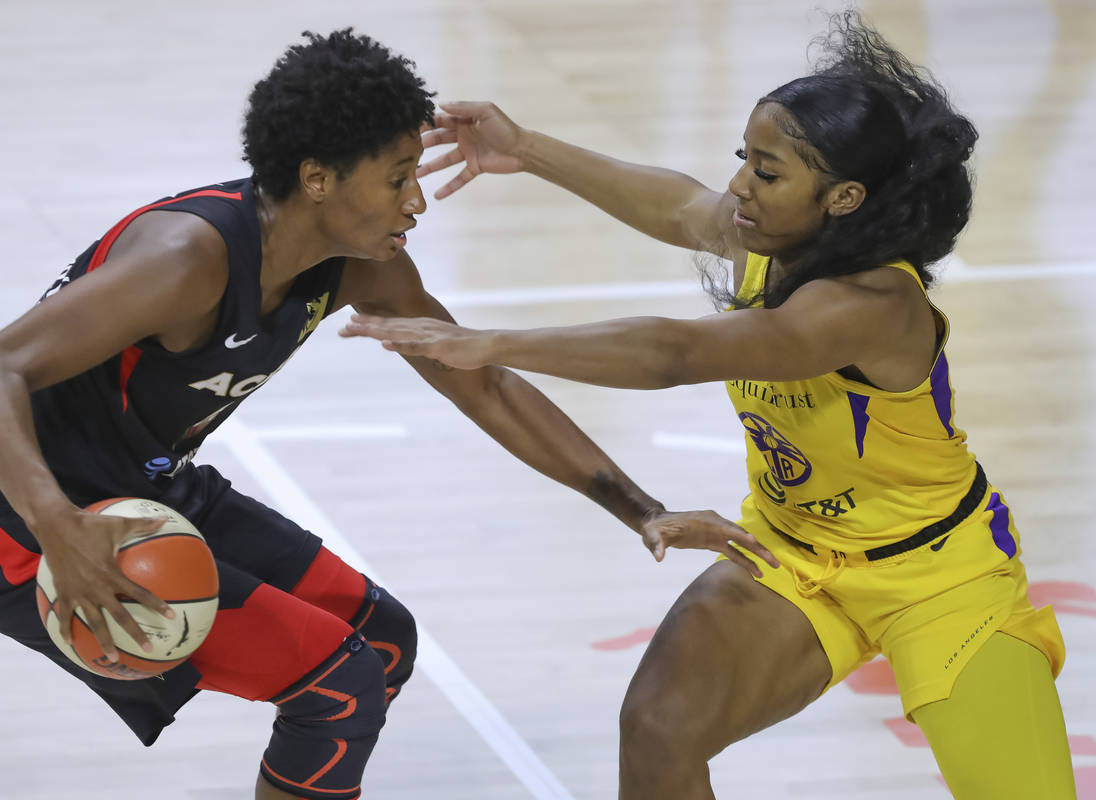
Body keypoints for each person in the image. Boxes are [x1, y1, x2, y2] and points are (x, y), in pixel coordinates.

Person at [0, 29, 776, 800]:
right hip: (15, 519)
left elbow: (485, 385)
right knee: (339, 685)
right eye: (398, 177)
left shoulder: (360, 265)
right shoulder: (187, 258)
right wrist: (57, 528)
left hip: (146, 492)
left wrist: (642, 509)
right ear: (317, 178)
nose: (417, 202)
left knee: (379, 640)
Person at [340, 12, 1076, 799]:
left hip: (936, 576)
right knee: (660, 728)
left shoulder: (872, 304)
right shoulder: (775, 238)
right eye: (744, 159)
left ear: (844, 197)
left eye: (767, 171)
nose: (738, 187)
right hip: (791, 551)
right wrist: (526, 149)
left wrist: (494, 343)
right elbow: (678, 206)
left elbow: (676, 354)